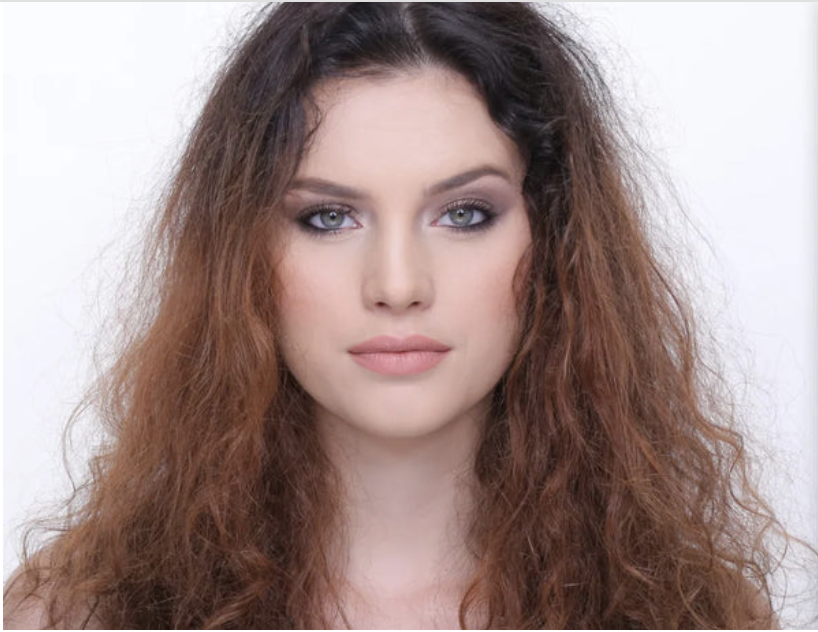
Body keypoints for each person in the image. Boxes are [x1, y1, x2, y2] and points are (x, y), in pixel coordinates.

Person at [3, 3, 809, 628]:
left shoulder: (694, 618)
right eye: (327, 218)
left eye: (463, 214)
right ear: (240, 259)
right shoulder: (80, 617)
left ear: (559, 243)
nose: (396, 284)